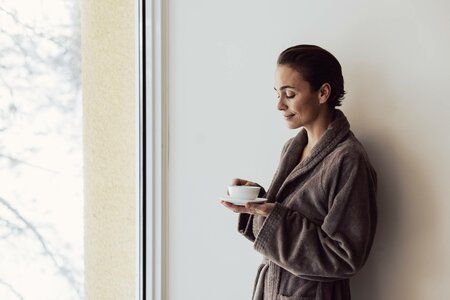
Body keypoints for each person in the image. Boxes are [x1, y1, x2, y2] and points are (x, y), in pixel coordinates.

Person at [221, 44, 377, 300]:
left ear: (323, 92)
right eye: (277, 94)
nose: (279, 105)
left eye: (290, 94)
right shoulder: (293, 148)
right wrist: (258, 202)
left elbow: (346, 257)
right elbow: (292, 216)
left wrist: (272, 217)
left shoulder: (348, 160)